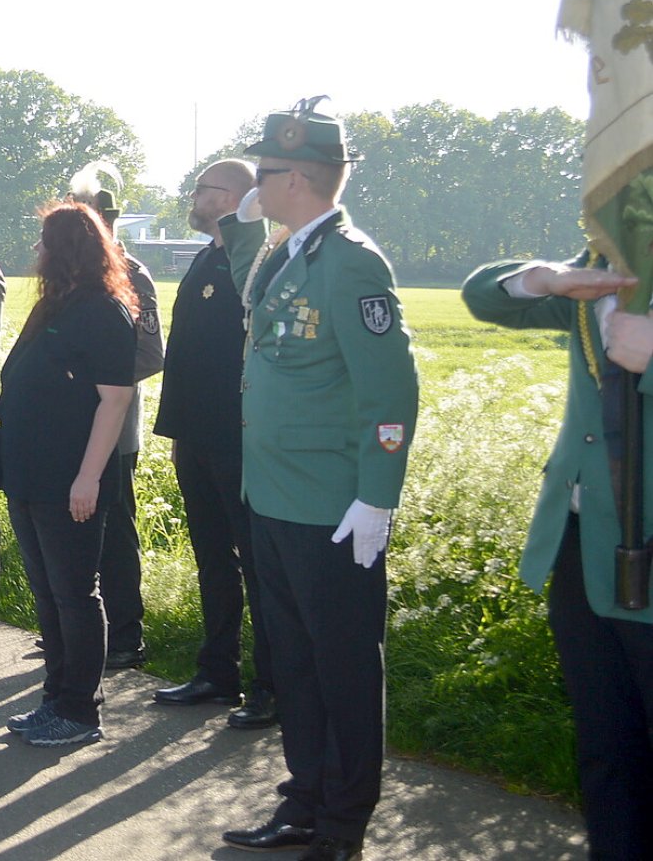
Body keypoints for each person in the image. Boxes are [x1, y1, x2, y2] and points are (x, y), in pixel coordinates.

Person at [218, 98, 418, 861]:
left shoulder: (352, 260)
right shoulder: (286, 250)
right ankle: (304, 798)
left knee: (339, 670)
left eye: (262, 174)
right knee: (294, 665)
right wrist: (241, 224)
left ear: (295, 178)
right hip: (270, 497)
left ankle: (342, 825)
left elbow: (389, 392)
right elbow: (259, 308)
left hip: (330, 507)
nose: (253, 185)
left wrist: (377, 496)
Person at [462, 255, 653, 859]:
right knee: (605, 739)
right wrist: (545, 278)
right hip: (587, 538)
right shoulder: (601, 272)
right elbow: (484, 297)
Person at [0, 202, 138, 747]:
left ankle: (81, 710)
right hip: (30, 474)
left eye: (44, 242)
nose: (37, 251)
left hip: (70, 479)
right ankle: (55, 697)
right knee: (48, 593)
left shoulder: (105, 311)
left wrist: (88, 478)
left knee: (76, 595)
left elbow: (114, 401)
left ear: (68, 250)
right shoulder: (55, 305)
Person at [152, 158, 279, 728]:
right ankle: (217, 672)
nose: (194, 194)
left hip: (243, 440)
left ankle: (271, 685)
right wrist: (178, 431)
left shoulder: (261, 264)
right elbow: (185, 355)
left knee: (258, 564)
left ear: (238, 197)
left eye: (204, 187)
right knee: (213, 561)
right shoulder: (206, 257)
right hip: (199, 439)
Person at [68, 161, 165, 671]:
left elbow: (149, 354)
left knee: (116, 532)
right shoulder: (72, 279)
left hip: (113, 428)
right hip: (72, 427)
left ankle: (126, 636)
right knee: (80, 534)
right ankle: (84, 631)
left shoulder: (133, 277)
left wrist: (92, 387)